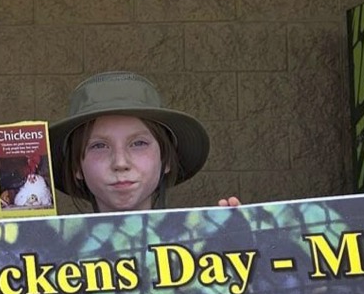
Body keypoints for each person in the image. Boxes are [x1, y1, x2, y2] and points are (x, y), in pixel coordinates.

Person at [47, 71, 237, 214]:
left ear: (167, 159)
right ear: (76, 167)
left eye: (138, 143)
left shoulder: (205, 250)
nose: (120, 163)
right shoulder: (44, 259)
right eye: (99, 146)